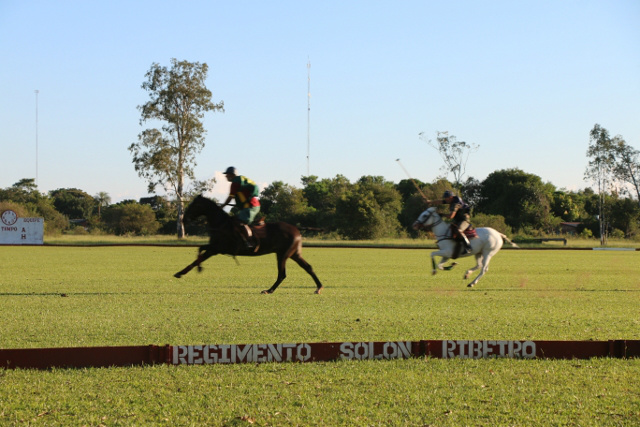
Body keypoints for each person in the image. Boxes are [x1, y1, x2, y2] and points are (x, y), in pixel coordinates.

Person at [221, 167, 261, 249]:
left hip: (251, 207)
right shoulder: (239, 180)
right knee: (235, 221)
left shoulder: (235, 183)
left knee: (240, 222)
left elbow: (230, 198)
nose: (226, 176)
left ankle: (250, 242)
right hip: (251, 206)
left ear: (232, 175)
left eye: (227, 174)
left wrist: (222, 206)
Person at [426, 190, 472, 254]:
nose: (445, 199)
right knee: (449, 230)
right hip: (457, 220)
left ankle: (468, 247)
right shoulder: (451, 200)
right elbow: (440, 201)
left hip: (464, 219)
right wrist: (430, 202)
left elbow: (451, 216)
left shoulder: (456, 203)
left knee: (459, 230)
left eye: (446, 198)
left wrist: (442, 214)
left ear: (450, 197)